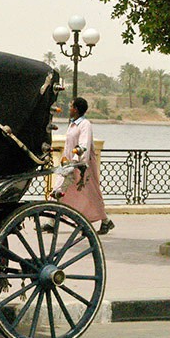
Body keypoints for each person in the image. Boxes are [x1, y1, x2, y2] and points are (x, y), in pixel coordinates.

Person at [53, 97, 114, 235]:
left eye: (71, 106)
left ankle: (105, 220)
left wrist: (77, 161)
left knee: (90, 193)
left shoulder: (85, 125)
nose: (69, 109)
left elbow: (83, 145)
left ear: (76, 109)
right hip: (68, 164)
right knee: (59, 189)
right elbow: (69, 145)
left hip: (82, 166)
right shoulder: (73, 124)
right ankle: (52, 221)